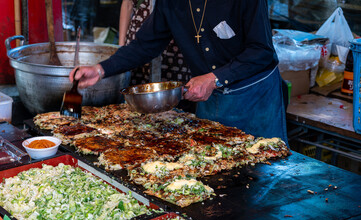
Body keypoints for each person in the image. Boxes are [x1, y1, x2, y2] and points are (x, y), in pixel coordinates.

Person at [69, 0, 288, 143]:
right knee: (217, 172)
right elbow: (145, 45)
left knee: (264, 179)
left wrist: (214, 78)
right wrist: (101, 69)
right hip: (211, 101)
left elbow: (262, 51)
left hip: (255, 100)